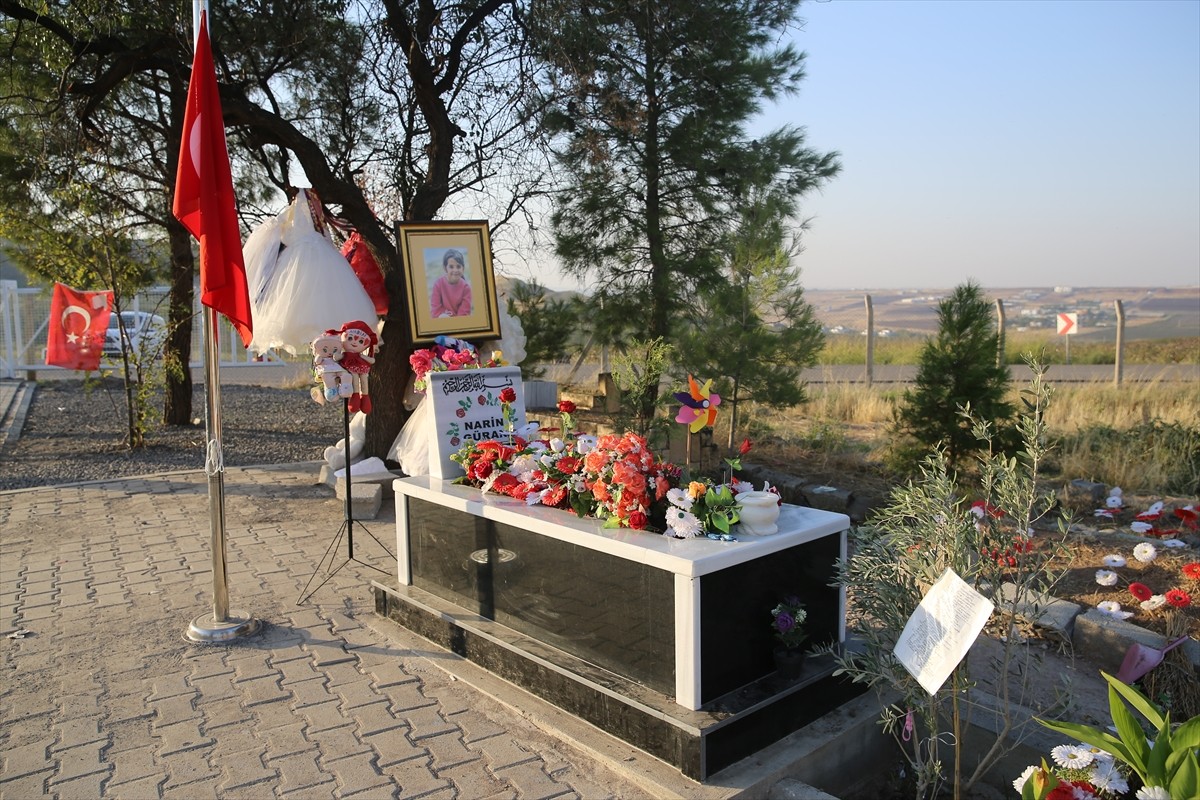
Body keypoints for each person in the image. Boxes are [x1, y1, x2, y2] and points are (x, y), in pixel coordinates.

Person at [430, 248, 473, 318]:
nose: (455, 270)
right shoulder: (438, 285)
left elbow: (464, 313)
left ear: (463, 268)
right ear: (445, 268)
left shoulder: (466, 288)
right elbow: (435, 310)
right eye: (451, 267)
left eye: (458, 266)